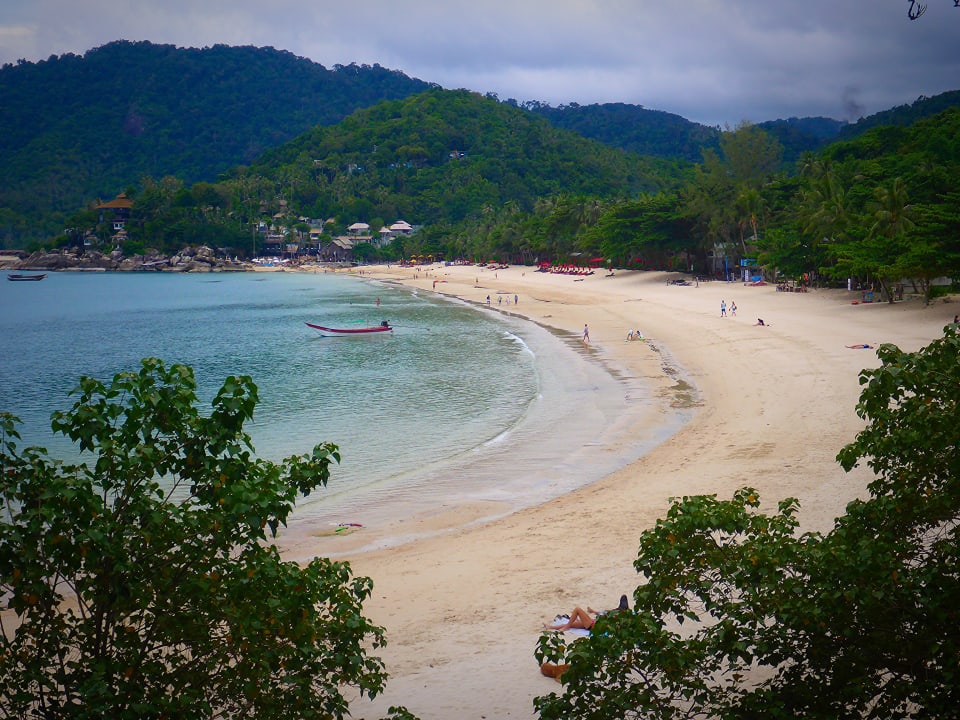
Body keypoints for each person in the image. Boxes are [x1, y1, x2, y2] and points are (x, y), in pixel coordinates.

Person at [544, 595, 629, 632]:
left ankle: (566, 627)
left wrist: (594, 612)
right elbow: (605, 613)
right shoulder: (620, 616)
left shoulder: (616, 617)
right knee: (573, 624)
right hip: (594, 623)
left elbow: (605, 615)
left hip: (594, 625)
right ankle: (551, 627)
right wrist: (593, 611)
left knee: (577, 610)